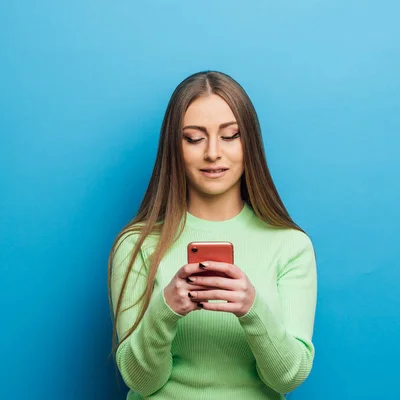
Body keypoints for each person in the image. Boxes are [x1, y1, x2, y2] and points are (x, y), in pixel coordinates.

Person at [108, 70, 317, 400]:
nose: (213, 153)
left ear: (250, 143)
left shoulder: (290, 245)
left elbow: (287, 377)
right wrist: (166, 309)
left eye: (230, 135)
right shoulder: (137, 245)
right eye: (194, 138)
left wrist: (251, 307)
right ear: (174, 149)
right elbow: (141, 381)